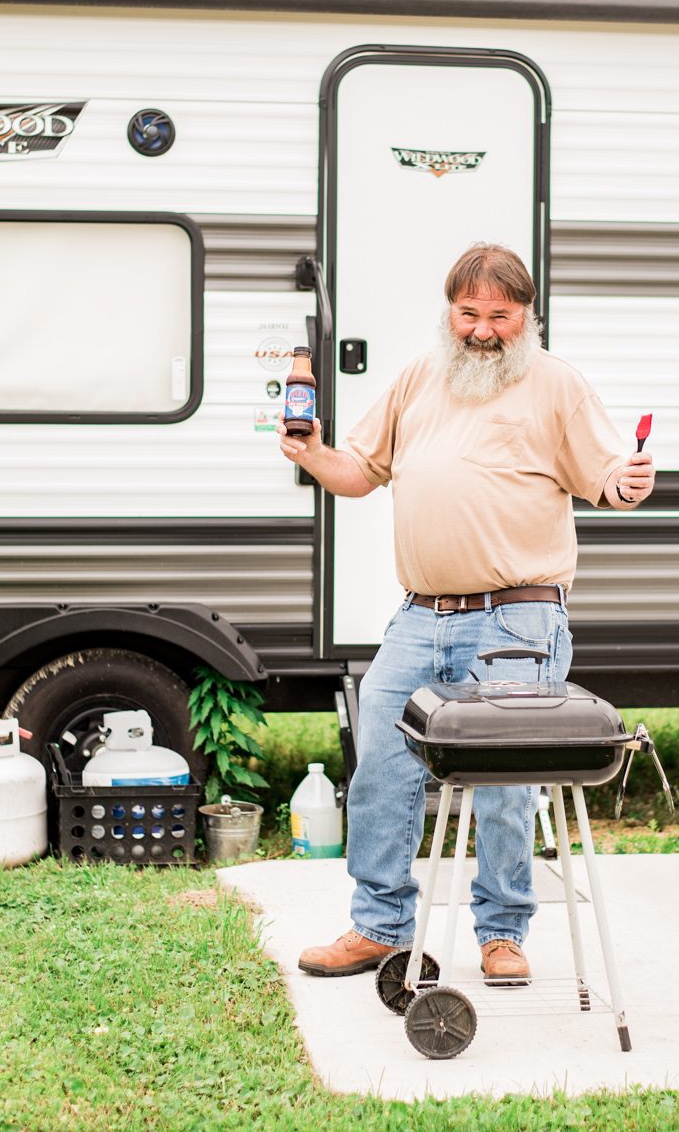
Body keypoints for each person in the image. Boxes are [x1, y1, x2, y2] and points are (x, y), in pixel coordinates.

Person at [279, 242, 655, 985]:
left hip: (518, 619)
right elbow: (360, 471)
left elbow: (609, 476)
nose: (482, 330)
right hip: (421, 615)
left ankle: (503, 933)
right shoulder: (419, 378)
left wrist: (628, 483)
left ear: (528, 317)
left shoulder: (556, 386)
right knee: (381, 763)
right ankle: (379, 926)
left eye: (500, 316)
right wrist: (313, 453)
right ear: (450, 312)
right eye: (469, 313)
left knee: (507, 783)